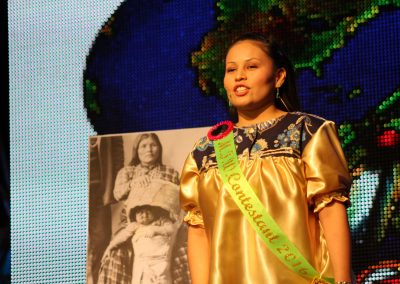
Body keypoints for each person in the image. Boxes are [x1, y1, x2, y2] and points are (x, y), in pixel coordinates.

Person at [180, 33, 353, 284]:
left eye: (251, 66)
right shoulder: (205, 151)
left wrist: (342, 278)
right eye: (231, 69)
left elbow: (330, 207)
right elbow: (198, 229)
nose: (240, 75)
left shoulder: (308, 131)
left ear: (279, 76)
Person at [100, 204, 178, 284]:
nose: (145, 215)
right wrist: (110, 247)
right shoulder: (135, 225)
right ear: (135, 215)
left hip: (160, 260)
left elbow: (171, 229)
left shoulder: (161, 221)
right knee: (141, 279)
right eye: (140, 212)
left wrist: (156, 230)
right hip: (142, 261)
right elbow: (122, 236)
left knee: (162, 278)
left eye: (148, 211)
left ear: (154, 211)